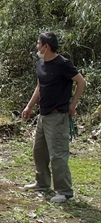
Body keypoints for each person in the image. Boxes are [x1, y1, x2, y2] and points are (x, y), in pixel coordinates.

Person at [21, 32, 86, 203]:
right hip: (44, 115)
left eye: (38, 43)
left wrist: (73, 104)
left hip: (58, 116)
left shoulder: (63, 64)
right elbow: (39, 87)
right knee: (39, 151)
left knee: (58, 154)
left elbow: (81, 82)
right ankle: (42, 183)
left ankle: (65, 192)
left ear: (46, 46)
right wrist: (29, 106)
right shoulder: (41, 64)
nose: (37, 47)